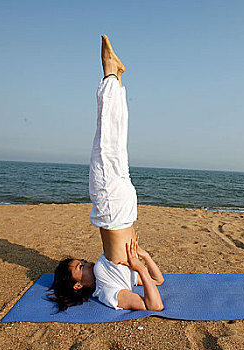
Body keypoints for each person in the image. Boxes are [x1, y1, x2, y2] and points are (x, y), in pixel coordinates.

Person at [50, 35, 164, 312]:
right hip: (112, 207)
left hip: (119, 208)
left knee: (115, 141)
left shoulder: (111, 276)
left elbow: (158, 279)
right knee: (106, 142)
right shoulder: (106, 291)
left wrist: (144, 259)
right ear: (78, 286)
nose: (84, 262)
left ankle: (117, 79)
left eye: (78, 261)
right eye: (78, 267)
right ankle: (109, 73)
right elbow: (154, 304)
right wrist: (139, 263)